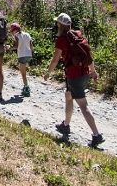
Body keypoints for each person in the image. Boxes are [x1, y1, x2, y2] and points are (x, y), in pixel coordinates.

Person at [44, 13, 104, 146]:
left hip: (74, 76)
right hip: (85, 73)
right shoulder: (78, 35)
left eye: (57, 23)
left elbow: (55, 60)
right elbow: (88, 55)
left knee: (83, 105)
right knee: (68, 96)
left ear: (60, 25)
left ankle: (96, 134)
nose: (56, 25)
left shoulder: (61, 40)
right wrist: (93, 71)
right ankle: (66, 124)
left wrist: (48, 72)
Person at [7, 22, 33, 97]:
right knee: (23, 70)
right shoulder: (27, 34)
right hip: (28, 54)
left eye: (11, 31)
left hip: (22, 55)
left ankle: (26, 88)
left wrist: (9, 48)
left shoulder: (17, 35)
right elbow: (31, 46)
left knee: (23, 73)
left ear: (14, 30)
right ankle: (25, 86)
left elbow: (16, 46)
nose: (12, 33)